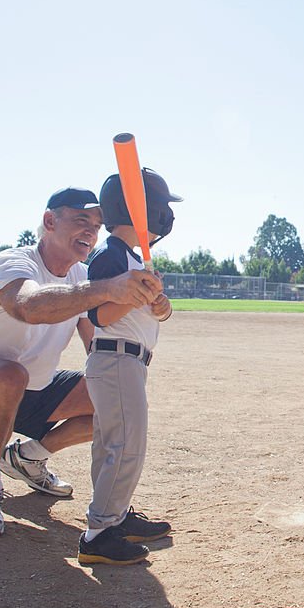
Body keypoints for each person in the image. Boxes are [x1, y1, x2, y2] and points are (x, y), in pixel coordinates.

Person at [0, 187, 163, 537]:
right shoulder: (14, 263)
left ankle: (28, 456)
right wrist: (105, 289)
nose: (91, 231)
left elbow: (97, 344)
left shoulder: (84, 277)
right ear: (49, 221)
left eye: (97, 224)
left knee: (110, 397)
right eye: (81, 220)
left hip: (34, 390)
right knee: (9, 375)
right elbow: (29, 306)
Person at [76, 169, 181, 565]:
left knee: (111, 446)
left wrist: (160, 305)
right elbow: (100, 313)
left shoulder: (132, 258)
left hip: (126, 360)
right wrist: (138, 295)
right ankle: (100, 533)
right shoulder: (110, 255)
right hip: (115, 356)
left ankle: (113, 518)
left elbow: (144, 312)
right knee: (126, 446)